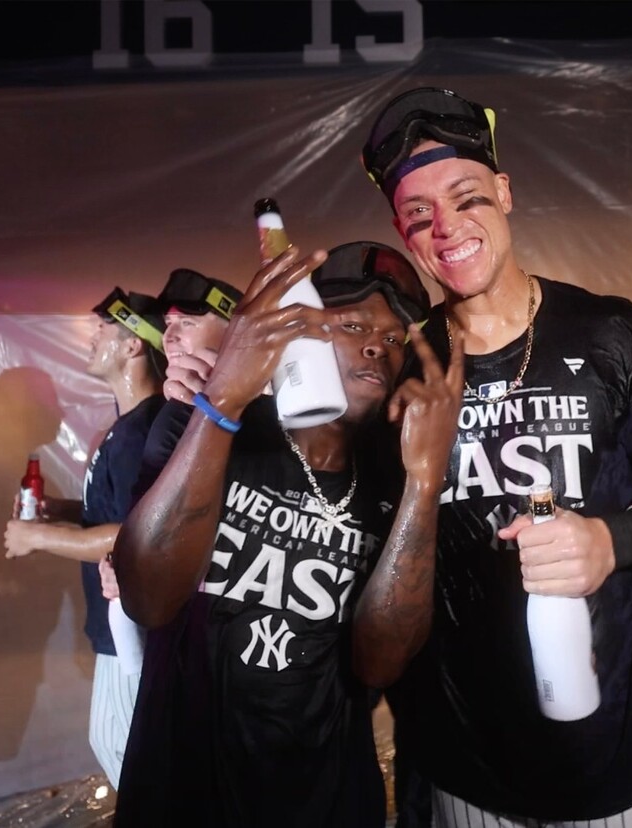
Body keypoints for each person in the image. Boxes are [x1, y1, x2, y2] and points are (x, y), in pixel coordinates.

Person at [359, 87, 632, 827]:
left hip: (615, 760)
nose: (447, 228)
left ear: (504, 191)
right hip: (468, 770)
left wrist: (610, 540)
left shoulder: (611, 332)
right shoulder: (403, 369)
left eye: (467, 199)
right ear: (404, 231)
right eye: (419, 215)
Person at [112, 241, 461, 827]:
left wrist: (425, 485)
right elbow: (146, 597)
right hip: (185, 793)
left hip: (326, 801)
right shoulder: (204, 420)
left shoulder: (394, 469)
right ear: (304, 332)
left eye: (396, 337)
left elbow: (381, 664)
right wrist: (221, 399)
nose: (379, 344)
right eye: (352, 324)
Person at [1, 288, 167, 789]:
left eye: (104, 329)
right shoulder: (128, 428)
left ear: (134, 347)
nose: (92, 336)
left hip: (129, 625)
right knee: (117, 744)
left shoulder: (141, 432)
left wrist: (39, 536)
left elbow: (133, 536)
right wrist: (63, 511)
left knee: (128, 754)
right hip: (118, 625)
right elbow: (117, 514)